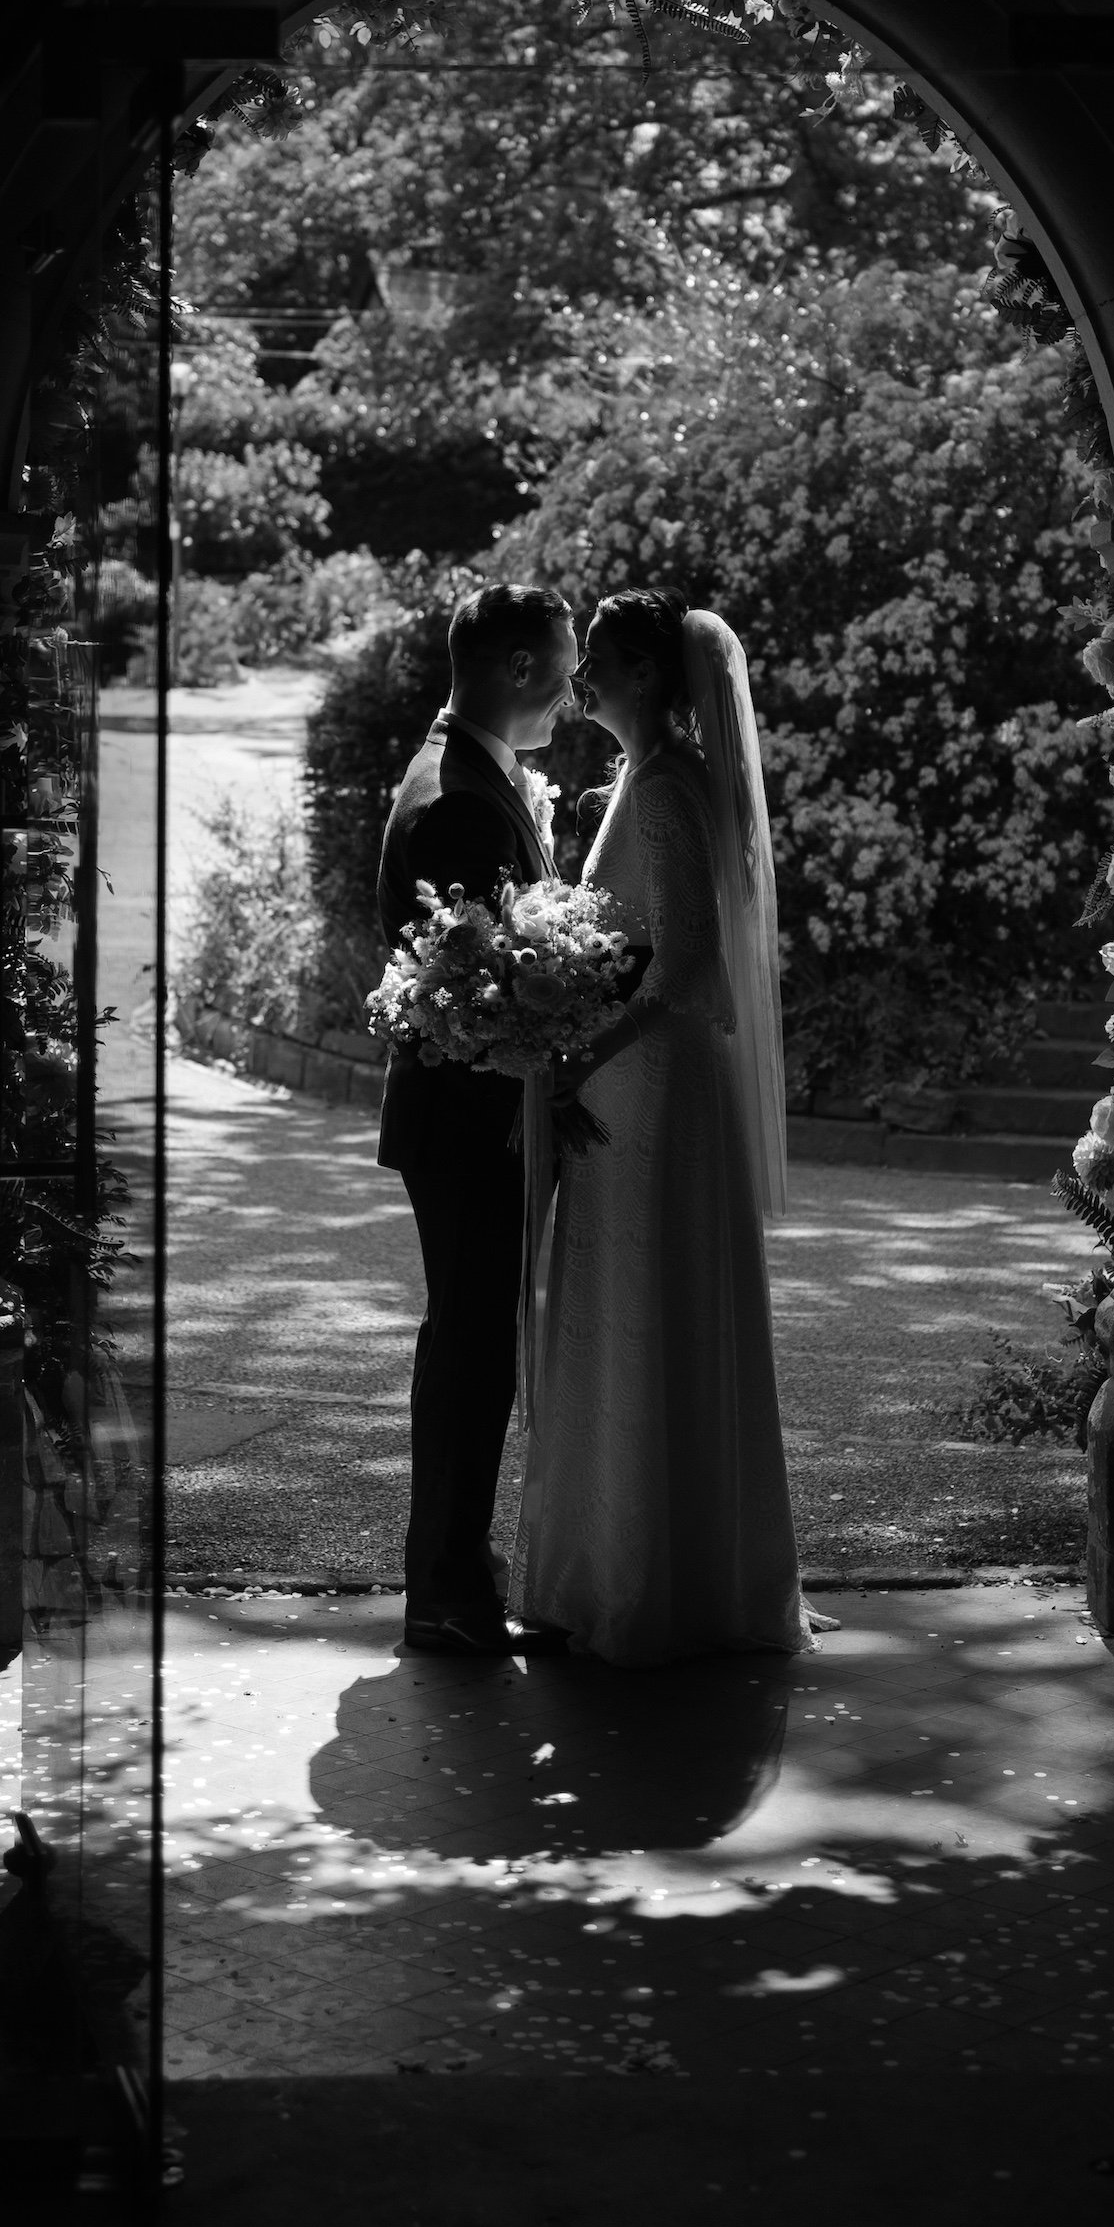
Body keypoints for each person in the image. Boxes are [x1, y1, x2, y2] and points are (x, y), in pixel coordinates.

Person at [515, 589, 809, 1665]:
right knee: (625, 1310)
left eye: (595, 658)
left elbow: (684, 960)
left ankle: (654, 1581)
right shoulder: (644, 779)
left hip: (649, 1086)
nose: (579, 676)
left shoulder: (664, 791)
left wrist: (577, 1053)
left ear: (642, 673)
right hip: (631, 1082)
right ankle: (625, 1563)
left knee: (646, 1309)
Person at [375, 580, 578, 1656]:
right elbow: (477, 990)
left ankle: (453, 1575)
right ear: (515, 668)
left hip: (466, 1116)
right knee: (467, 1352)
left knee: (469, 1343)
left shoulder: (468, 771)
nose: (571, 686)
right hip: (465, 1122)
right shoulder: (455, 798)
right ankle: (445, 1591)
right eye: (563, 661)